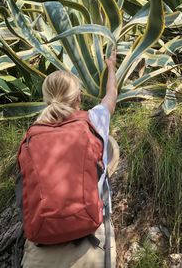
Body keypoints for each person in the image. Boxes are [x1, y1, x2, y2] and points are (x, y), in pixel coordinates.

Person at [21, 50, 118, 268]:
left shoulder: (32, 135)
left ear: (46, 98)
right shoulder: (95, 120)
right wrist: (111, 66)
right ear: (79, 97)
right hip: (91, 243)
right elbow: (111, 95)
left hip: (40, 248)